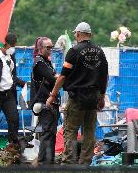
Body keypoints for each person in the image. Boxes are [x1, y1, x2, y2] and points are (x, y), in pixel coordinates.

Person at [46, 22, 108, 165]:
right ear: (90, 35)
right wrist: (102, 96)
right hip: (94, 98)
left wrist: (52, 95)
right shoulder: (100, 52)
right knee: (89, 132)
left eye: (75, 33)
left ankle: (69, 162)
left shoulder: (74, 51)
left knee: (71, 131)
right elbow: (104, 76)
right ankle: (85, 162)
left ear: (79, 34)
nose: (75, 35)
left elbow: (62, 76)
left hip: (77, 98)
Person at [30, 37, 60, 166]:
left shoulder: (46, 62)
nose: (50, 50)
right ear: (40, 49)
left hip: (51, 102)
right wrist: (59, 77)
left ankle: (49, 161)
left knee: (51, 133)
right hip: (44, 102)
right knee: (47, 133)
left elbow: (55, 78)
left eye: (51, 47)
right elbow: (53, 79)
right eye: (48, 47)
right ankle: (43, 162)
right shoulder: (39, 63)